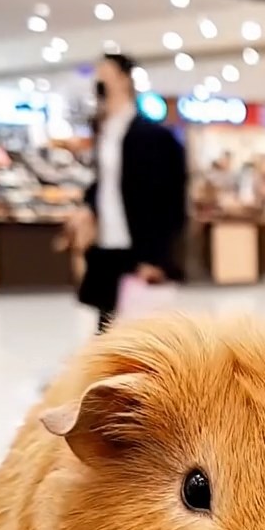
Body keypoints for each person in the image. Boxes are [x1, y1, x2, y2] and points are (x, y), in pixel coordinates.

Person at [71, 53, 187, 330]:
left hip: (139, 246)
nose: (99, 77)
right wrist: (88, 207)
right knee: (105, 324)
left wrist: (157, 257)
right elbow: (104, 183)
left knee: (139, 331)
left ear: (124, 79)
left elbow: (170, 200)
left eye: (106, 71)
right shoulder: (105, 132)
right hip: (106, 244)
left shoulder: (154, 137)